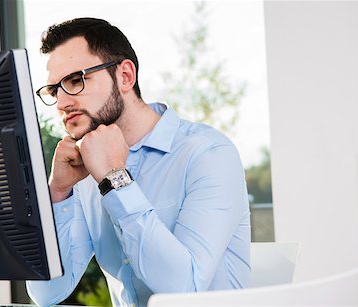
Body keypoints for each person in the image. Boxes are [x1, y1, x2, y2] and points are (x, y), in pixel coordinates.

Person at [26, 17, 251, 307]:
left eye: (75, 81)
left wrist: (114, 179)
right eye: (54, 90)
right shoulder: (83, 173)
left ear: (125, 76)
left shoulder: (208, 153)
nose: (61, 103)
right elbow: (47, 293)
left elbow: (185, 290)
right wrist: (57, 193)